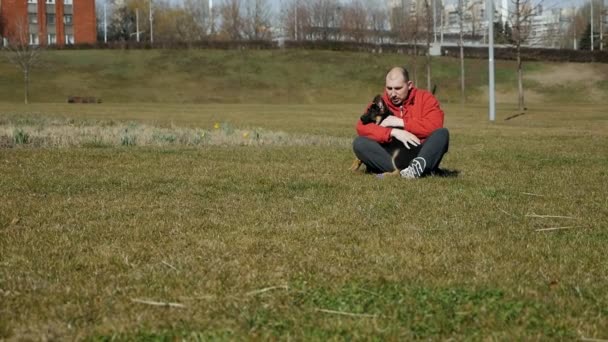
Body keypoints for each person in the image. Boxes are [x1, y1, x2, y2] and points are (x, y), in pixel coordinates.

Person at [352, 67, 449, 179]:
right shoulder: (380, 103)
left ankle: (417, 167)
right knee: (359, 143)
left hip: (420, 150)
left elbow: (435, 125)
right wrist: (393, 132)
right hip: (392, 156)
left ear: (409, 85)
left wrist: (401, 123)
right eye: (389, 88)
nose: (393, 94)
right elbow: (361, 127)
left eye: (398, 88)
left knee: (442, 134)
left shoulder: (425, 98)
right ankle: (417, 170)